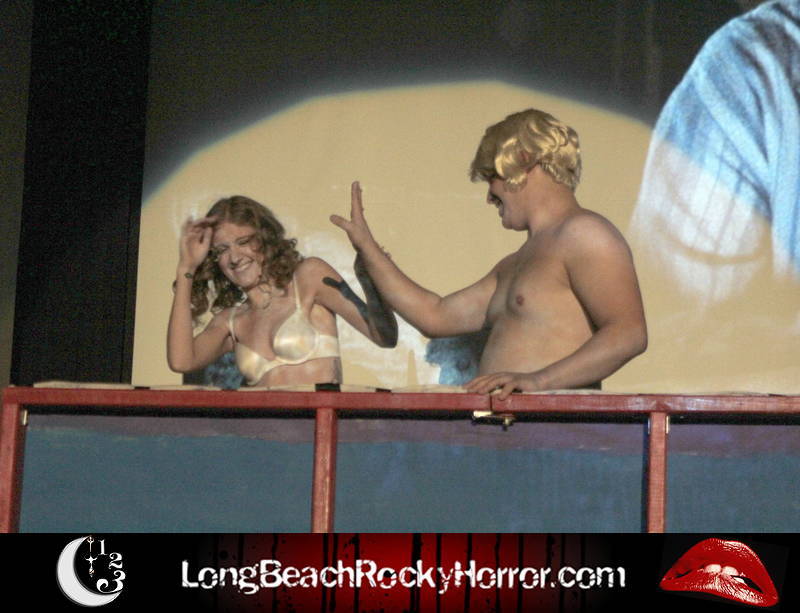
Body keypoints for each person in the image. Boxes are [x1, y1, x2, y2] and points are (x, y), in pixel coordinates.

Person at [331, 109, 647, 398]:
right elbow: (435, 316)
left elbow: (629, 333)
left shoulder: (584, 233)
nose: (488, 196)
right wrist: (368, 248)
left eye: (491, 177)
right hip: (499, 430)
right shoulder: (513, 264)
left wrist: (539, 381)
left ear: (523, 161)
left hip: (550, 430)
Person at [167, 195, 398, 387]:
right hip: (264, 428)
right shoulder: (231, 321)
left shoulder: (308, 278)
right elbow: (181, 362)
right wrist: (186, 267)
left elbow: (385, 336)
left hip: (318, 425)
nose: (234, 257)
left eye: (243, 242)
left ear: (265, 239)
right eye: (222, 250)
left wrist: (370, 281)